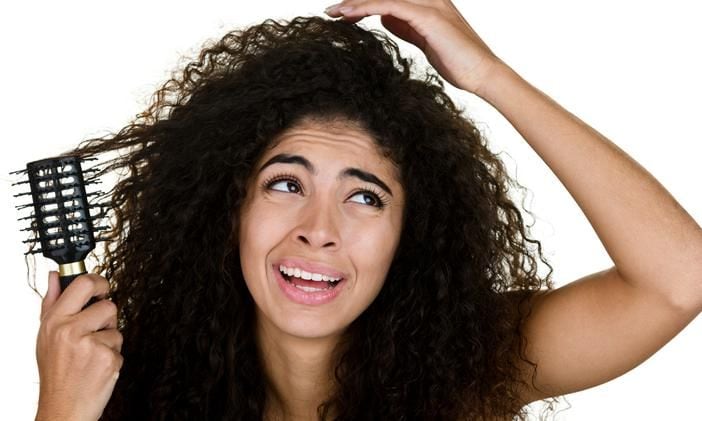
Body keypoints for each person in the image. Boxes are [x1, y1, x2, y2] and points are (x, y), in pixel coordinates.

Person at [33, 1, 702, 420]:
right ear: (227, 207)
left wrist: (489, 76)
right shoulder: (136, 392)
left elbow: (680, 276)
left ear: (410, 233)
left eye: (364, 197)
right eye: (286, 184)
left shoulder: (465, 368)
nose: (318, 230)